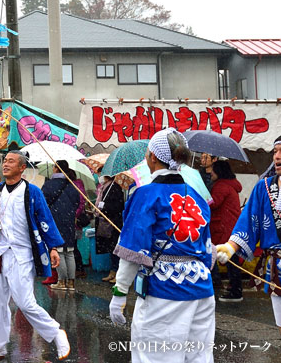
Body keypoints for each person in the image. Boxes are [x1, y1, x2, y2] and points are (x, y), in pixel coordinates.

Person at [109, 128, 215, 363]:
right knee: (198, 357)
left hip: (165, 291)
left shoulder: (146, 194)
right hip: (202, 289)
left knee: (154, 356)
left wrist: (119, 292)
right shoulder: (197, 196)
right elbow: (209, 251)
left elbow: (133, 249)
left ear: (153, 157)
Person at [0, 150, 71, 361]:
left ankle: (56, 333)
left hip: (22, 254)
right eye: (5, 161)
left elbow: (45, 219)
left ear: (22, 167)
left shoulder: (32, 192)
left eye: (11, 161)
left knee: (25, 302)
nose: (6, 165)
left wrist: (53, 247)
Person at [215, 134, 281, 336]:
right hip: (277, 266)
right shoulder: (264, 188)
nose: (277, 157)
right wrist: (231, 246)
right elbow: (248, 221)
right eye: (275, 152)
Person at [207, 159, 242, 302]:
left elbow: (213, 203)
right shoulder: (230, 184)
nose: (210, 172)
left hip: (224, 227)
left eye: (213, 169)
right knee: (232, 259)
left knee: (230, 260)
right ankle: (235, 287)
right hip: (230, 225)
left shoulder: (221, 186)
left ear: (219, 171)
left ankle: (236, 291)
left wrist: (203, 198)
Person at [41, 165, 80, 291]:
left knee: (58, 250)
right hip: (69, 220)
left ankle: (61, 282)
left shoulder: (49, 185)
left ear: (56, 169)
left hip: (54, 219)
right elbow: (77, 202)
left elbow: (43, 203)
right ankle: (71, 283)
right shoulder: (72, 185)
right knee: (69, 251)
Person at [94, 174, 125, 284]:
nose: (99, 177)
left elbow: (118, 206)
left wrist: (105, 209)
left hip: (113, 223)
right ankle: (113, 271)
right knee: (111, 248)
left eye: (100, 174)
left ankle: (118, 272)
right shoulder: (103, 188)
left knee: (115, 248)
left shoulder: (115, 188)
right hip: (106, 223)